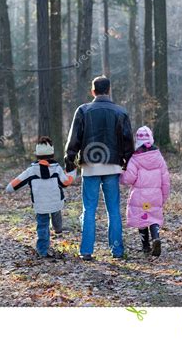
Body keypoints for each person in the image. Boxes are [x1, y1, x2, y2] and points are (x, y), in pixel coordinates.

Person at [64, 76, 134, 261]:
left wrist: (69, 162)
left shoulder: (83, 110)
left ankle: (86, 251)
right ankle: (117, 251)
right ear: (109, 90)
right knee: (113, 210)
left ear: (93, 91)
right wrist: (127, 161)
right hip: (113, 165)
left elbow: (74, 139)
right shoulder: (120, 112)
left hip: (90, 166)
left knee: (89, 209)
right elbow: (127, 141)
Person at [6, 136, 76, 258]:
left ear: (37, 155)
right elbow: (65, 183)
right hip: (55, 203)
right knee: (56, 214)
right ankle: (58, 228)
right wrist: (72, 172)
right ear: (52, 154)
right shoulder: (57, 169)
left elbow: (14, 185)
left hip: (40, 205)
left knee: (42, 226)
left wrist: (9, 188)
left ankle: (43, 250)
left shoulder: (31, 171)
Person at [120, 126, 170, 257]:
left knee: (141, 219)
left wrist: (121, 176)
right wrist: (164, 196)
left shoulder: (135, 158)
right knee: (153, 217)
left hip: (139, 196)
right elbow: (165, 179)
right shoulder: (158, 157)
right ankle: (156, 238)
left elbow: (129, 178)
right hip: (155, 195)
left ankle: (146, 246)